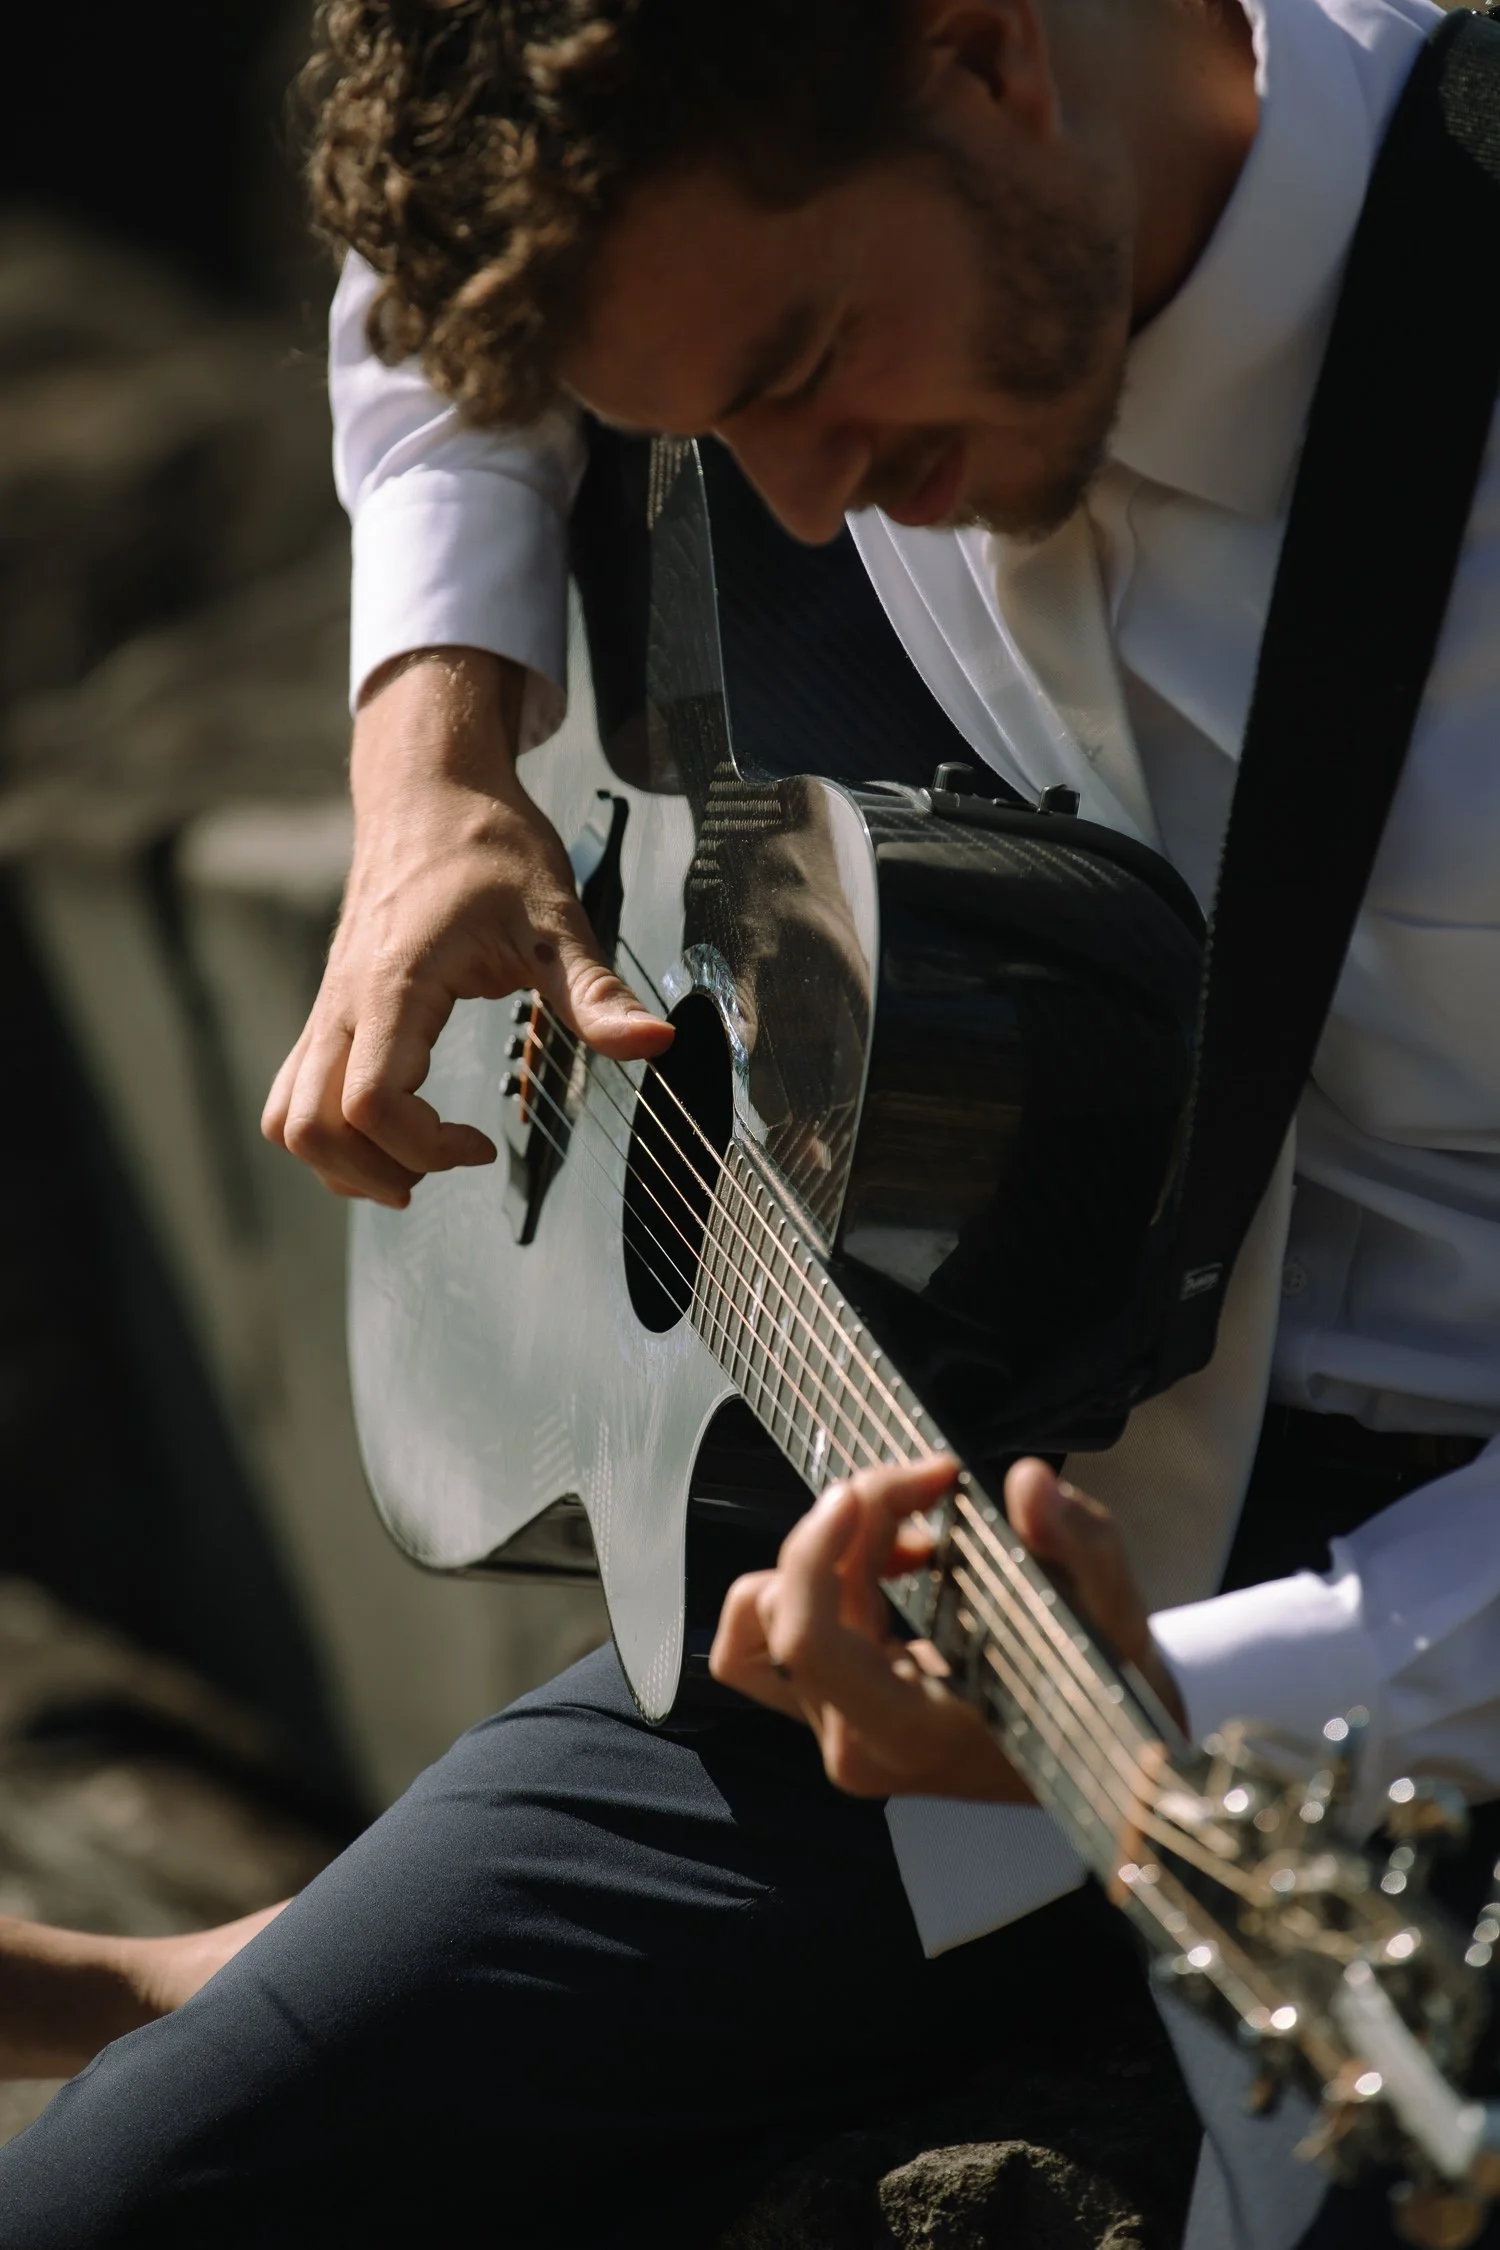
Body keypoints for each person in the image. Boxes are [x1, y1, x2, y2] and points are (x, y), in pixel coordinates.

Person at [0, 0, 1496, 2243]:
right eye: (689, 427)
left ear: (987, 55)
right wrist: (432, 767)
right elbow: (449, 287)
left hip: (1420, 1604)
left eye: (799, 363)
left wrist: (1220, 1696)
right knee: (120, 2199)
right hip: (972, 1536)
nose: (789, 496)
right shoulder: (838, 229)